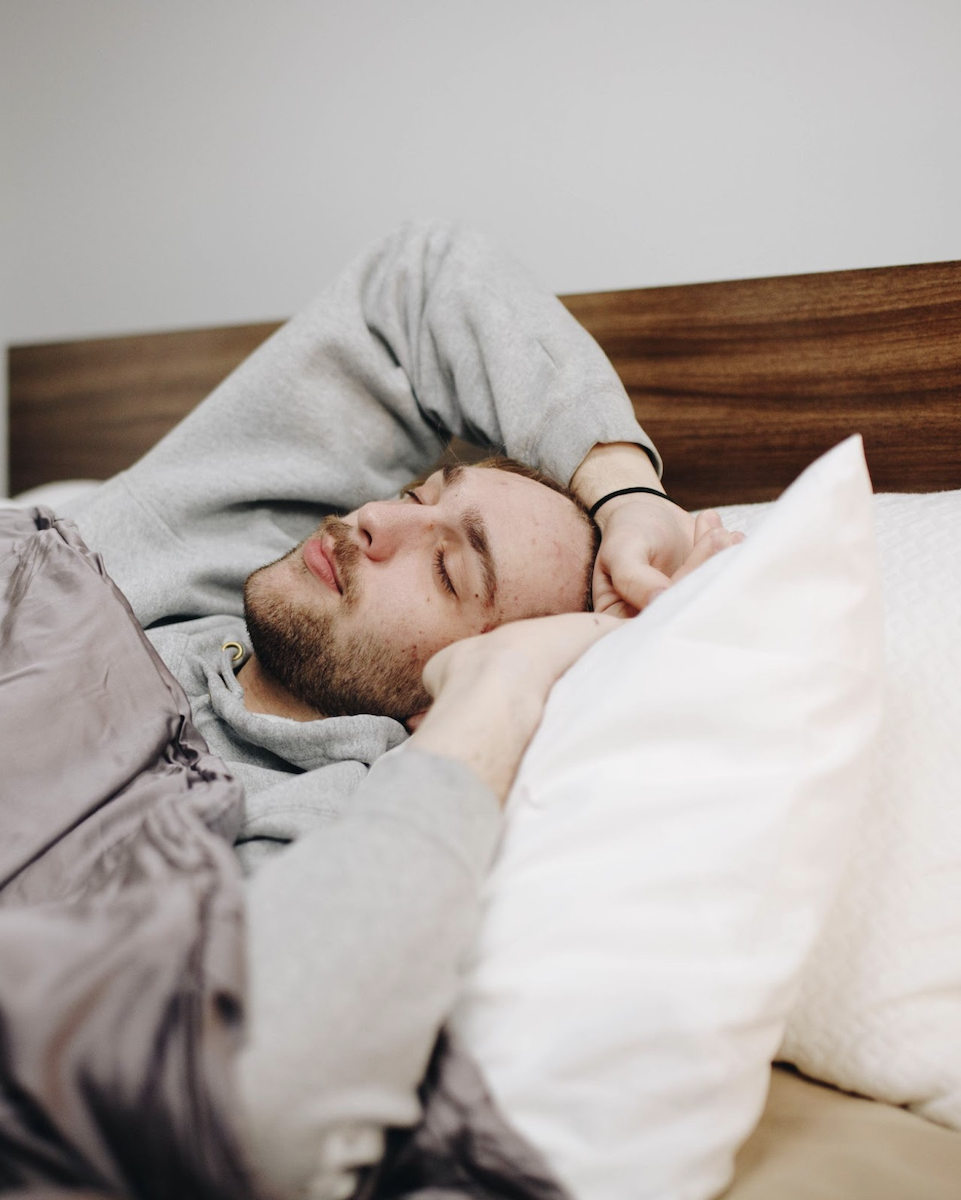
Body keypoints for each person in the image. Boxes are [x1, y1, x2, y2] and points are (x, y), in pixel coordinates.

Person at [61, 221, 738, 1198]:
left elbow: (247, 1095)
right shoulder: (171, 563)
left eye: (448, 565)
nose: (376, 521)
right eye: (420, 491)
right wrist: (630, 491)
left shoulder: (312, 830)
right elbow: (421, 281)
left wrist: (508, 686)